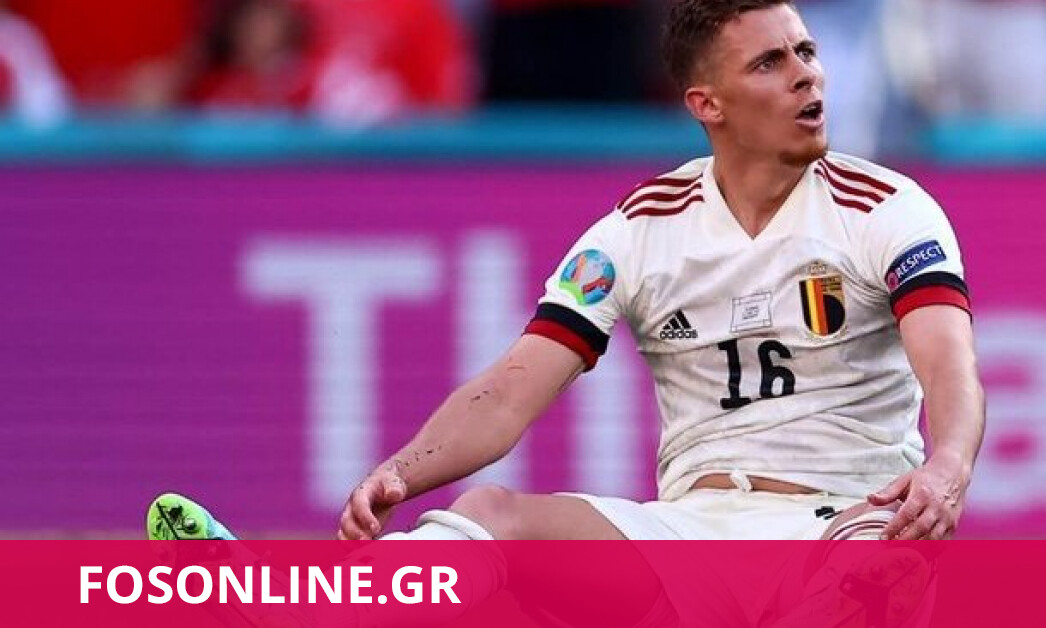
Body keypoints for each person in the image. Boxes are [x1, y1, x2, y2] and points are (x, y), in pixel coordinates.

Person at [151, 0, 984, 620]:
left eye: (805, 51)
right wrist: (406, 468)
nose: (807, 74)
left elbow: (950, 366)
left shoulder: (886, 209)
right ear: (708, 103)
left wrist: (946, 466)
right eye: (770, 62)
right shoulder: (640, 231)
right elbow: (512, 390)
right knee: (490, 515)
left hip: (845, 524)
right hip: (692, 530)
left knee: (872, 577)